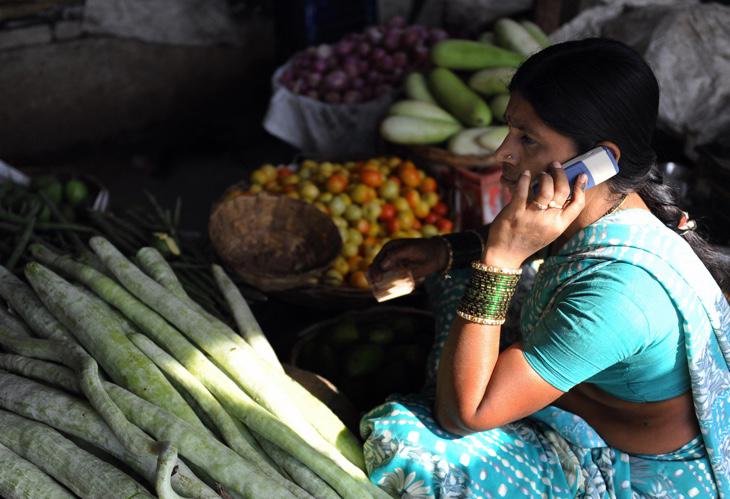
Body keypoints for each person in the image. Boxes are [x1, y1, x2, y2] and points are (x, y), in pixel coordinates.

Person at [362, 38, 730, 498]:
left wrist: (500, 260)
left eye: (527, 139)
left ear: (598, 161)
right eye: (510, 131)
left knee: (403, 443)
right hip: (583, 405)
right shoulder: (614, 206)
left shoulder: (618, 294)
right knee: (461, 278)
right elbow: (537, 237)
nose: (503, 153)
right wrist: (448, 251)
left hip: (630, 472)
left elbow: (465, 414)